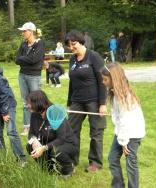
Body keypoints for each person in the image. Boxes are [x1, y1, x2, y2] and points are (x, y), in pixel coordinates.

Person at [64, 30, 107, 172]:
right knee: (71, 131)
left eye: (73, 44)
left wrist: (102, 104)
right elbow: (72, 82)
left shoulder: (94, 57)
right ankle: (71, 160)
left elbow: (103, 81)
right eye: (69, 45)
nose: (71, 48)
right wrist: (69, 102)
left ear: (81, 41)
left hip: (93, 101)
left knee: (96, 132)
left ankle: (95, 163)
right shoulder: (72, 60)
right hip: (77, 101)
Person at [101, 63, 146, 188]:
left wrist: (123, 141)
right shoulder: (116, 93)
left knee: (131, 162)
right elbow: (119, 117)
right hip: (123, 132)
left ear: (113, 78)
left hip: (132, 133)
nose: (103, 82)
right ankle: (118, 185)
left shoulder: (125, 96)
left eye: (105, 79)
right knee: (112, 158)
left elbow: (126, 120)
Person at [26, 90, 78, 177]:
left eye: (30, 103)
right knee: (29, 145)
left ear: (38, 103)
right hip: (48, 143)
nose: (28, 105)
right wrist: (34, 140)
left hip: (66, 143)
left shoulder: (56, 113)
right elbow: (30, 134)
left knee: (55, 151)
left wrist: (43, 148)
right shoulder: (34, 114)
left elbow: (61, 139)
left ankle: (68, 169)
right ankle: (48, 169)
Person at [15, 21, 45, 136]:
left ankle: (39, 125)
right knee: (25, 102)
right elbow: (17, 60)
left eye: (24, 31)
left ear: (31, 31)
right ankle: (27, 126)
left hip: (34, 76)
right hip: (22, 75)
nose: (22, 33)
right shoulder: (23, 44)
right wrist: (27, 58)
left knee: (36, 101)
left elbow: (35, 60)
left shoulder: (40, 44)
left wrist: (24, 58)